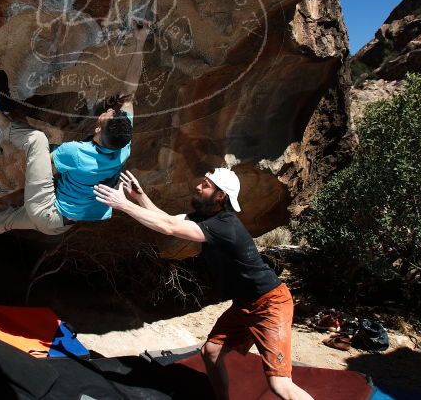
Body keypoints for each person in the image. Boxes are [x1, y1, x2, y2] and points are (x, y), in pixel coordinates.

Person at [93, 169, 313, 400]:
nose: (199, 186)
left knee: (280, 384)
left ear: (220, 196)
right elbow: (167, 219)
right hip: (245, 303)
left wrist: (123, 205)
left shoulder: (225, 226)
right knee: (212, 352)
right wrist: (139, 197)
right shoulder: (207, 217)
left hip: (270, 304)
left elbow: (168, 228)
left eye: (206, 185)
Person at [0, 19, 151, 238]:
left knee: (38, 141)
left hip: (48, 210)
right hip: (59, 225)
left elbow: (43, 165)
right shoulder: (121, 144)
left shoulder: (77, 153)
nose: (111, 111)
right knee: (7, 222)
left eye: (109, 115)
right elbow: (129, 95)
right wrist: (140, 42)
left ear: (98, 129)